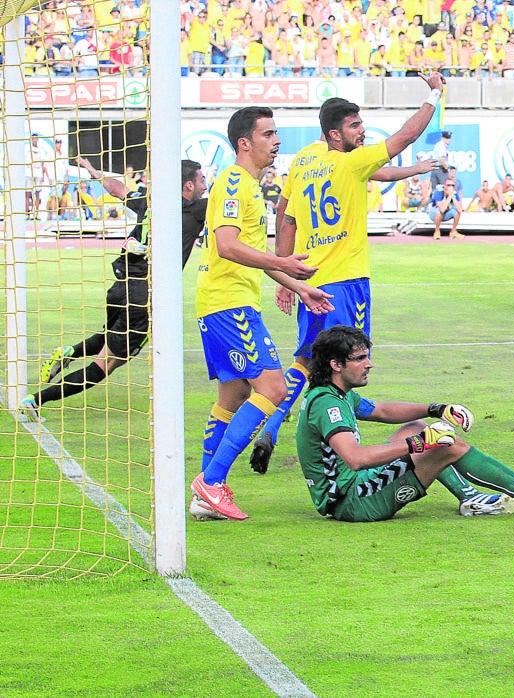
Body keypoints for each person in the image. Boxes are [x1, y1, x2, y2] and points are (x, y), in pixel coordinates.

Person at [247, 85, 443, 482]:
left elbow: (287, 215)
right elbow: (406, 136)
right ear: (335, 134)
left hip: (310, 282)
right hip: (347, 283)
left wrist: (285, 275)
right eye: (355, 126)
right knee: (349, 365)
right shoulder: (351, 162)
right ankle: (345, 442)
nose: (362, 131)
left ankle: (271, 428)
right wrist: (435, 94)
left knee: (305, 361)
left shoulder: (305, 160)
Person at [190, 105, 334, 522]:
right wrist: (284, 263)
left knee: (233, 396)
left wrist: (299, 287)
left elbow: (254, 254)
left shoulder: (248, 185)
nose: (277, 141)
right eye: (268, 134)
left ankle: (204, 494)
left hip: (220, 302)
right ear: (244, 143)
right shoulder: (235, 182)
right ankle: (211, 482)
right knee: (273, 388)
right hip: (230, 303)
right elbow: (227, 245)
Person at [295, 325, 514, 522]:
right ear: (336, 365)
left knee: (417, 426)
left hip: (351, 488)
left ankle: (469, 497)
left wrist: (437, 410)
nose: (369, 364)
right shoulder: (328, 405)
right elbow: (356, 459)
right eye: (360, 359)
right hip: (354, 501)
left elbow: (382, 410)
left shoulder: (334, 393)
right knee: (444, 445)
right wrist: (419, 444)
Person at [19, 158, 207, 421]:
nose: (205, 186)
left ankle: (69, 352)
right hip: (145, 295)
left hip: (121, 287)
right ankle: (37, 400)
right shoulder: (197, 209)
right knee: (106, 363)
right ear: (188, 185)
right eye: (202, 180)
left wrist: (94, 172)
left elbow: (118, 189)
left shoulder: (151, 202)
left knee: (109, 337)